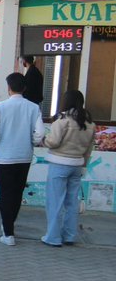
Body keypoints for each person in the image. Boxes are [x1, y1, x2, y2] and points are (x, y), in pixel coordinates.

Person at [0, 73, 44, 246]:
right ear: (24, 88)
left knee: (5, 193)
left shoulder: (0, 107)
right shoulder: (33, 108)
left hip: (4, 157)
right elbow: (39, 134)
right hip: (24, 156)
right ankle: (9, 225)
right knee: (17, 193)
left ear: (8, 88)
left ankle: (8, 232)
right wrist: (30, 142)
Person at [41, 90, 96, 247]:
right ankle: (70, 235)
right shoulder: (90, 123)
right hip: (77, 165)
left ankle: (53, 237)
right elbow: (89, 149)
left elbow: (54, 142)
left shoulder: (62, 121)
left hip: (59, 164)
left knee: (55, 202)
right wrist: (84, 164)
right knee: (72, 202)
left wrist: (44, 140)